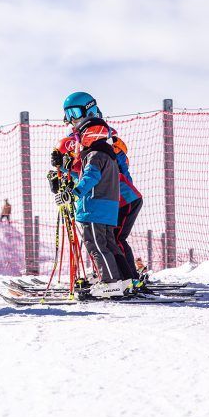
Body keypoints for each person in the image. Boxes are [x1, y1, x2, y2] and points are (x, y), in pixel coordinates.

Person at [62, 91, 143, 284]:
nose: (70, 119)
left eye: (74, 112)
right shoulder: (89, 139)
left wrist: (77, 173)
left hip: (120, 198)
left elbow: (103, 170)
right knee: (108, 241)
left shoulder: (104, 138)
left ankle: (123, 278)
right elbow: (85, 171)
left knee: (111, 241)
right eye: (67, 114)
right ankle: (118, 276)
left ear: (88, 110)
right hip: (108, 199)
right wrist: (66, 167)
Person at [55, 117, 130, 297]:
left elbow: (90, 177)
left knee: (95, 245)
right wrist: (64, 170)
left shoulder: (95, 155)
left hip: (95, 207)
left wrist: (73, 192)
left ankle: (110, 283)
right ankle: (123, 280)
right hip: (106, 208)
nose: (79, 141)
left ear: (89, 134)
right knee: (109, 245)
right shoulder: (107, 155)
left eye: (80, 136)